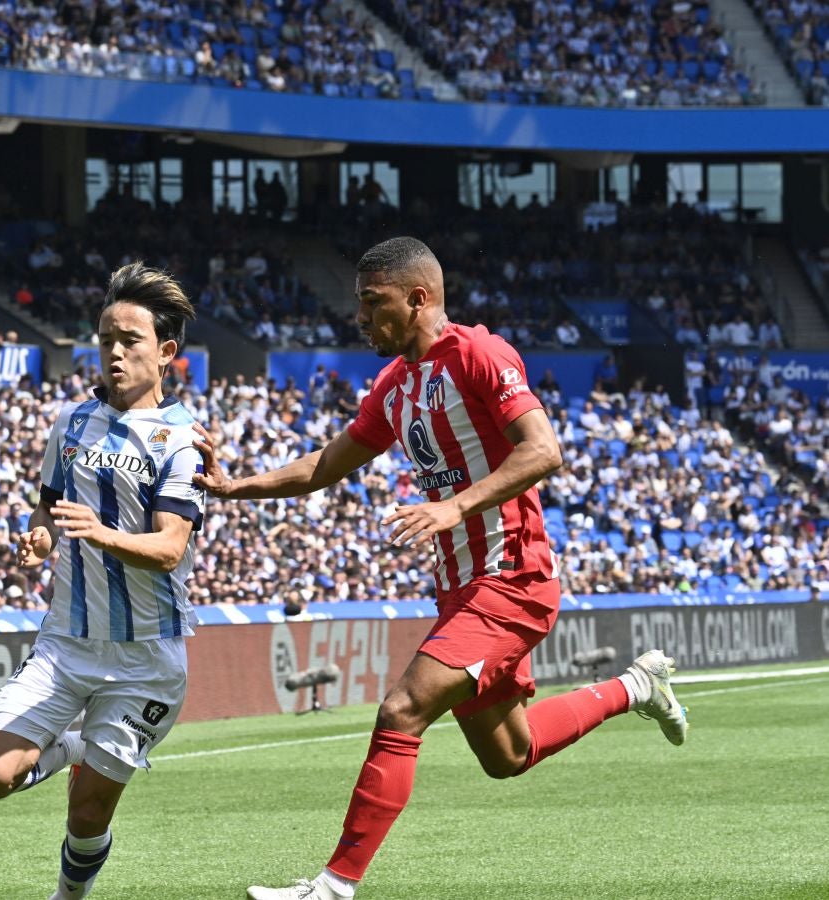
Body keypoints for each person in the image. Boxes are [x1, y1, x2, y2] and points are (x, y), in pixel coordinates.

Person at [191, 237, 689, 900]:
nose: (362, 318)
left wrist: (455, 505)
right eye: (360, 305)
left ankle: (333, 888)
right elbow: (323, 466)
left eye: (374, 303)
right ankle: (636, 687)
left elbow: (543, 452)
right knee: (507, 756)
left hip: (511, 578)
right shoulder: (395, 386)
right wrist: (237, 487)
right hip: (461, 591)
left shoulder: (480, 355)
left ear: (417, 298)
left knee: (401, 710)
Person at [0, 262, 205, 900]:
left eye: (130, 339)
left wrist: (99, 533)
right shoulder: (71, 424)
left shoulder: (183, 444)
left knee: (88, 815)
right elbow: (49, 504)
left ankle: (67, 898)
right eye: (106, 339)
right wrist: (41, 534)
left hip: (145, 657)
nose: (115, 352)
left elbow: (168, 548)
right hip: (67, 642)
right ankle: (76, 746)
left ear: (166, 352)